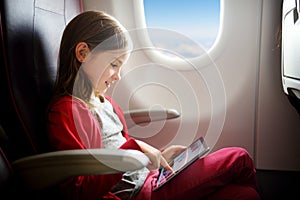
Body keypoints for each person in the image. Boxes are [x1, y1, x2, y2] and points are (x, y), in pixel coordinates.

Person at [47, 10, 261, 200]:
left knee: (245, 195)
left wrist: (159, 156)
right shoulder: (67, 112)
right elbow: (77, 190)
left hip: (152, 178)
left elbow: (119, 144)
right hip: (140, 193)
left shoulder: (104, 102)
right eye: (114, 64)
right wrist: (134, 150)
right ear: (83, 53)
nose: (118, 76)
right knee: (239, 158)